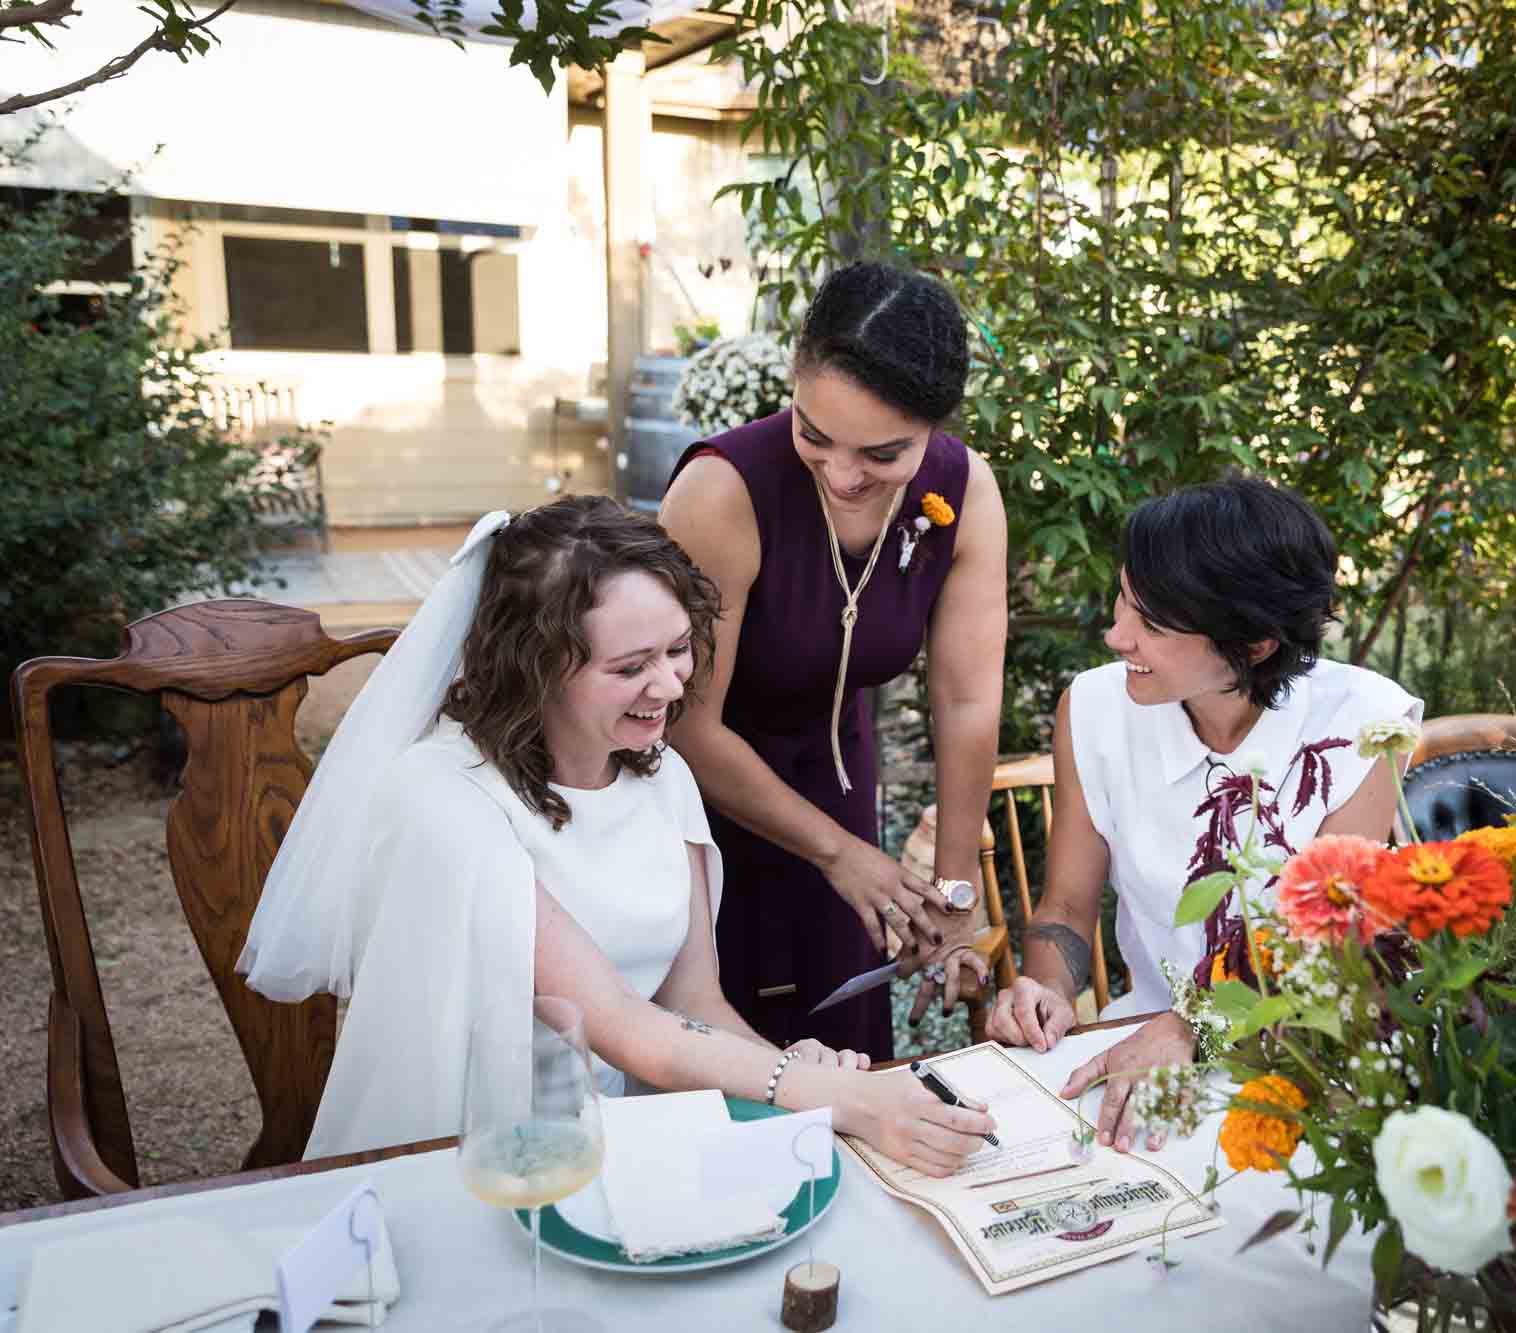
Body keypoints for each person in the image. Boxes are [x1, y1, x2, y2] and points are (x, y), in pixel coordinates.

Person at [238, 497, 994, 1175]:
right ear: (536, 667)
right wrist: (835, 1097)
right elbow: (624, 1026)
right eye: (631, 665)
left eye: (677, 649)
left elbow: (693, 1000)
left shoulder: (661, 776)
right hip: (474, 1160)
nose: (670, 686)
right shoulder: (442, 801)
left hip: (627, 1143)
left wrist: (787, 1066)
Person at [983, 478, 1421, 1152]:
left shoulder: (1362, 723)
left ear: (1253, 646)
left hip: (1308, 1054)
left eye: (1151, 624)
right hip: (1143, 1040)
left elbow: (1322, 948)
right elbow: (1067, 906)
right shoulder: (1095, 709)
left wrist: (1192, 1028)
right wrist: (1045, 986)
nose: (1115, 635)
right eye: (1122, 601)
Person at [661, 263, 1007, 1060]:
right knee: (730, 1059)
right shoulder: (721, 492)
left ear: (935, 427)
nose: (845, 475)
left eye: (883, 453)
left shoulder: (966, 493)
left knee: (844, 1048)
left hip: (843, 789)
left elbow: (966, 702)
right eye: (814, 434)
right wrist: (838, 853)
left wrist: (956, 892)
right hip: (703, 810)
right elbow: (684, 722)